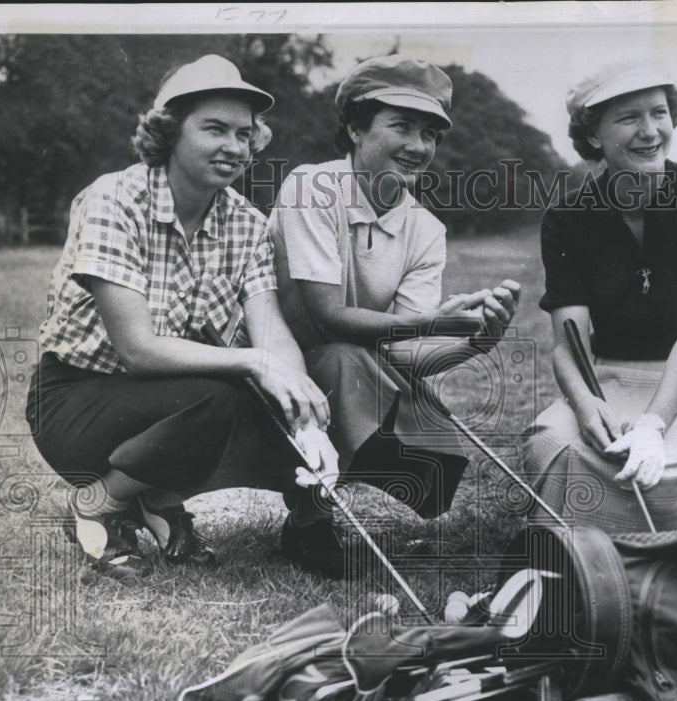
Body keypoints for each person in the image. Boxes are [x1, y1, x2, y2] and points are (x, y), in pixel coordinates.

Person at [26, 55, 337, 580]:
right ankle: (100, 503)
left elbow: (270, 331)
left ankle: (158, 499)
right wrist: (256, 361)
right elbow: (137, 348)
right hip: (74, 398)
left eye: (244, 133)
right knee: (220, 391)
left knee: (251, 393)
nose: (234, 147)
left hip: (160, 400)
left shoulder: (247, 223)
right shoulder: (115, 198)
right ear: (168, 132)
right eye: (214, 129)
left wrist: (307, 417)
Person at [269, 55, 521, 578]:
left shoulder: (426, 230)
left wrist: (476, 341)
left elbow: (406, 356)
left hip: (340, 372)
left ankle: (312, 509)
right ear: (356, 129)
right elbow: (327, 318)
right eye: (400, 126)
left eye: (429, 133)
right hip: (265, 368)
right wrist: (433, 323)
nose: (417, 146)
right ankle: (311, 521)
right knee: (342, 358)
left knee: (431, 459)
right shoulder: (310, 188)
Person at [521, 61, 677, 533]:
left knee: (657, 484)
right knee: (548, 447)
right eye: (629, 118)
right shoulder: (568, 216)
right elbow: (569, 343)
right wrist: (585, 404)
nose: (650, 131)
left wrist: (653, 426)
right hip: (609, 380)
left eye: (659, 113)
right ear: (595, 134)